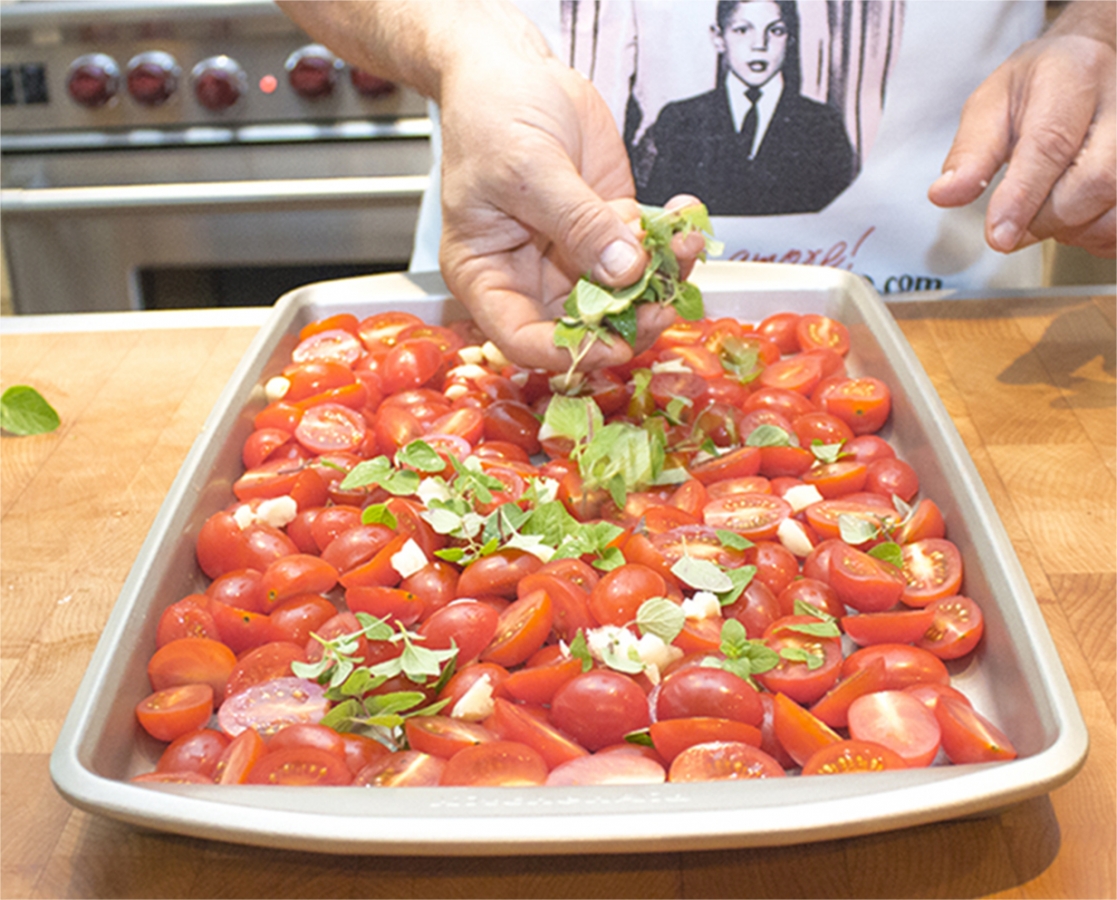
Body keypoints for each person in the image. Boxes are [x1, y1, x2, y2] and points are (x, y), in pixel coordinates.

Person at [277, 0, 1115, 373]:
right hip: (516, 277)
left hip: (939, 310)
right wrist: (459, 43)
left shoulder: (822, 125)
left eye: (773, 28)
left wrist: (1098, 31)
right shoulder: (674, 115)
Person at [639, 0, 855, 215]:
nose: (759, 44)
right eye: (742, 30)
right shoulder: (680, 119)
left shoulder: (822, 124)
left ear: (791, 37)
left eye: (776, 31)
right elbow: (658, 216)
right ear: (718, 38)